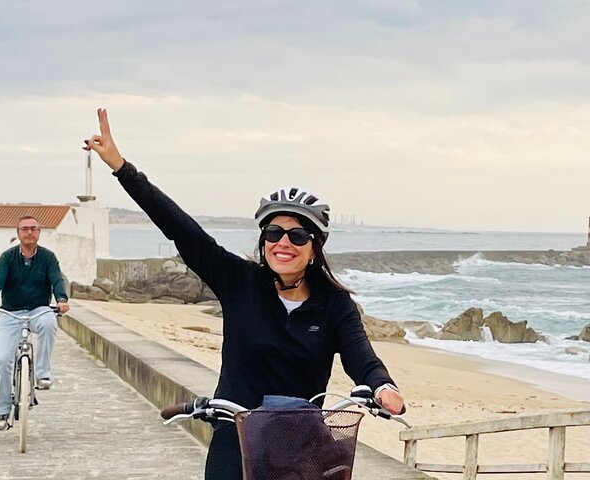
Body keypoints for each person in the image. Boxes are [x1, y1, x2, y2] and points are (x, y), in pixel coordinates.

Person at [84, 108, 405, 479]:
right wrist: (121, 167)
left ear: (314, 248)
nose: (284, 243)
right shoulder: (240, 282)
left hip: (299, 441)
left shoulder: (334, 304)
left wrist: (382, 386)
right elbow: (182, 229)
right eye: (274, 233)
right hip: (235, 433)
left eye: (298, 235)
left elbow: (362, 358)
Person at [0, 215, 70, 431]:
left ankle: (42, 374)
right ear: (18, 233)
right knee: (2, 360)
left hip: (39, 309)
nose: (29, 232)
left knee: (49, 324)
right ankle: (3, 410)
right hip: (10, 313)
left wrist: (61, 299)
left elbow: (57, 279)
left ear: (39, 232)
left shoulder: (48, 258)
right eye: (25, 229)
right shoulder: (7, 258)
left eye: (33, 229)